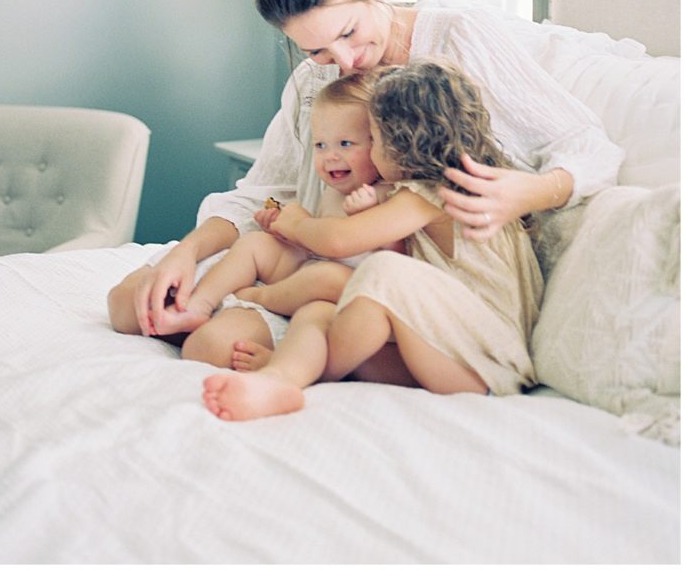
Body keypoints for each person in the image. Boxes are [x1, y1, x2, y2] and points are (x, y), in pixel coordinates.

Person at [107, 0, 623, 372]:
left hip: (385, 275)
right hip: (309, 259)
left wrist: (528, 192)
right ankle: (244, 309)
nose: (344, 60)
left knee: (209, 347)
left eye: (349, 32)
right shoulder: (314, 80)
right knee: (129, 303)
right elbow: (263, 193)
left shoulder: (456, 41)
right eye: (317, 49)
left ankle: (283, 339)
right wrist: (186, 251)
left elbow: (588, 147)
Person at [202, 59, 545, 420]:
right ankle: (283, 376)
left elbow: (339, 241)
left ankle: (304, 371)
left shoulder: (438, 193)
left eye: (376, 140)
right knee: (319, 314)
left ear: (401, 145)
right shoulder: (443, 190)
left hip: (483, 364)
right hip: (444, 351)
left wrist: (298, 222)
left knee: (382, 274)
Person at [145, 75, 390, 352]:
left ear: (380, 142)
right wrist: (283, 228)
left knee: (323, 278)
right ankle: (198, 306)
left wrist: (369, 213)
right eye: (321, 145)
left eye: (346, 143)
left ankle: (262, 298)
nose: (330, 156)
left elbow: (397, 258)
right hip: (310, 269)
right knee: (255, 244)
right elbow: (313, 238)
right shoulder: (333, 189)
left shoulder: (385, 193)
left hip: (345, 289)